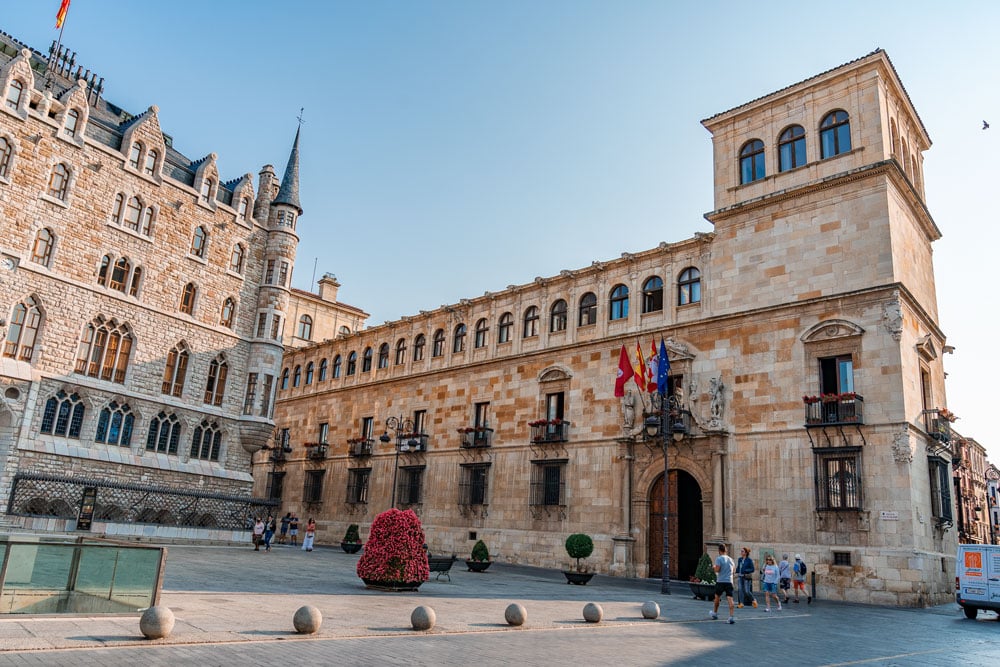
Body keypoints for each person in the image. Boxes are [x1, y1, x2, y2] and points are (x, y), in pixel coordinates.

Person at [711, 544, 737, 624]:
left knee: (717, 597)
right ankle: (731, 616)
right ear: (726, 550)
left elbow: (717, 570)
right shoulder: (731, 559)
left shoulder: (719, 559)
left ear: (719, 551)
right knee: (730, 598)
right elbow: (734, 571)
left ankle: (715, 613)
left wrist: (713, 568)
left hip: (721, 581)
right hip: (729, 581)